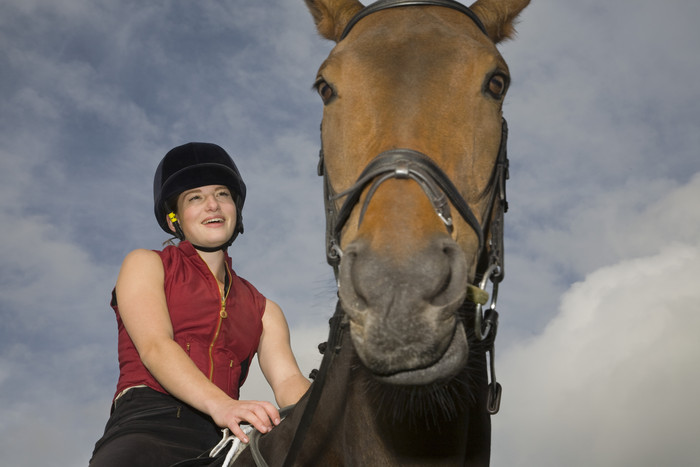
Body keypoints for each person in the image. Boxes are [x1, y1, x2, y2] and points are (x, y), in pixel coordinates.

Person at [90, 142, 311, 466]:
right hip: (148, 424)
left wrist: (341, 410)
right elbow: (155, 346)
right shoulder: (145, 264)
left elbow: (289, 383)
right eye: (195, 198)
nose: (213, 206)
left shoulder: (266, 310)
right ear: (173, 219)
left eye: (222, 194)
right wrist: (221, 405)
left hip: (224, 437)